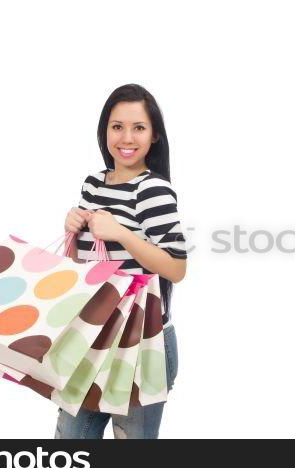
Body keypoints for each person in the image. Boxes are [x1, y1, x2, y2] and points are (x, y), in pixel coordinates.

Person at [57, 83, 188, 439]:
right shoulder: (92, 185)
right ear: (104, 131)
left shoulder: (154, 191)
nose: (126, 138)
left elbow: (177, 267)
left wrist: (123, 233)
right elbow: (80, 271)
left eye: (138, 128)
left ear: (154, 135)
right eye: (117, 126)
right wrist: (73, 232)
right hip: (92, 338)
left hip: (143, 343)